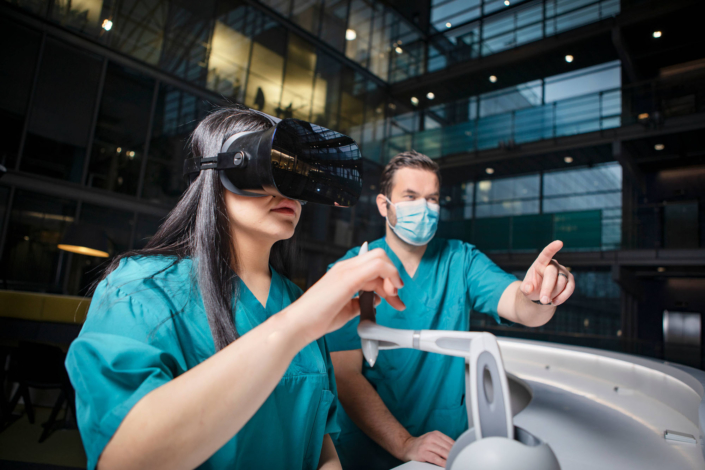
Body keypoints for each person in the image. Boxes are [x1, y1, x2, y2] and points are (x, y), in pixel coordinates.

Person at [65, 107, 405, 470]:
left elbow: (319, 441)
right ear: (220, 171)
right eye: (273, 168)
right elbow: (123, 460)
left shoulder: (295, 302)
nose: (288, 188)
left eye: (296, 174)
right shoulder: (142, 290)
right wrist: (296, 326)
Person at [326, 150, 575, 470]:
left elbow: (521, 306)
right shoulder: (351, 269)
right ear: (383, 205)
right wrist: (403, 443)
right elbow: (345, 376)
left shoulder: (461, 260)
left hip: (444, 448)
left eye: (432, 199)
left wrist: (543, 293)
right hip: (371, 451)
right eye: (411, 197)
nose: (424, 208)